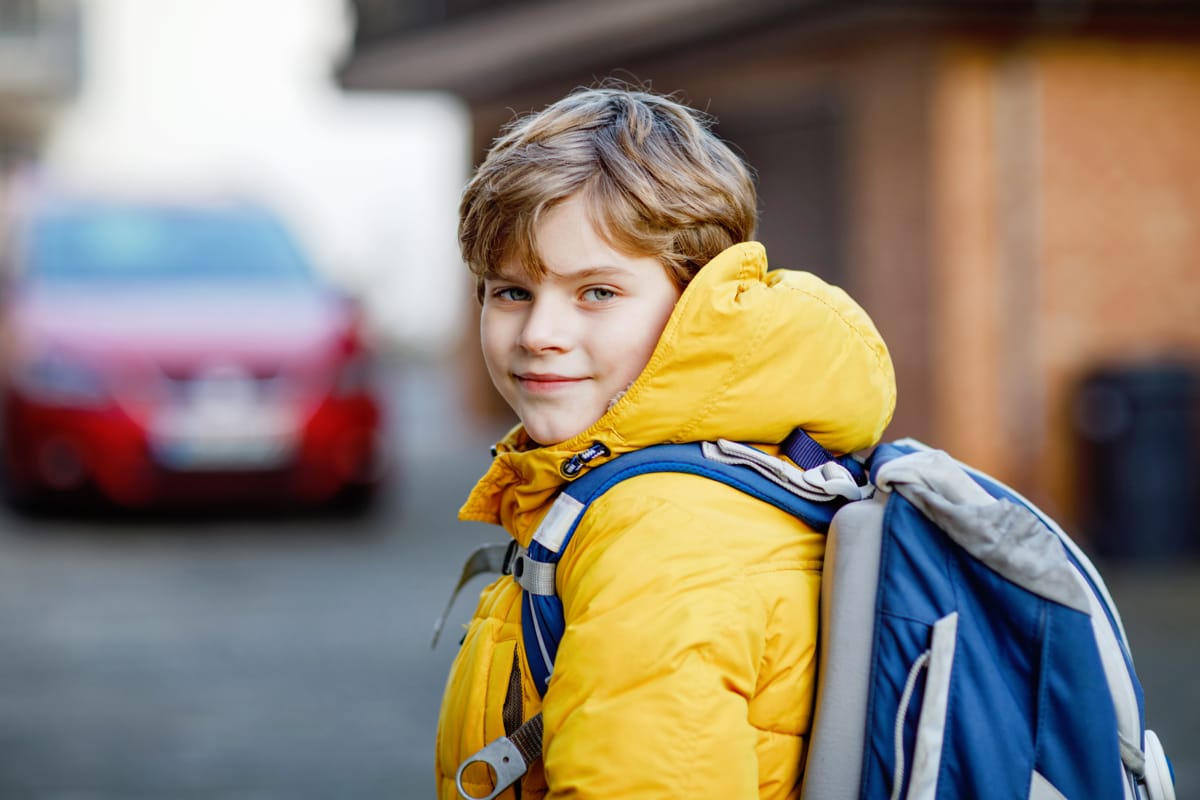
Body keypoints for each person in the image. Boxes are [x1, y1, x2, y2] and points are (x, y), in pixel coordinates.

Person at [435, 84, 896, 799]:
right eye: (511, 291)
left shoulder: (663, 541)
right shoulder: (708, 469)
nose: (538, 335)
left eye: (598, 293)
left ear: (697, 303)